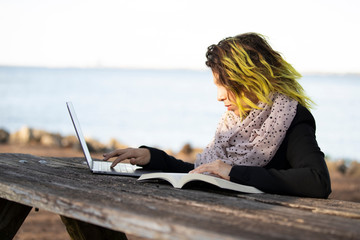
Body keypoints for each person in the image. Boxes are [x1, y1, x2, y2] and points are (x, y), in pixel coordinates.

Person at [103, 32, 331, 198]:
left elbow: (317, 181)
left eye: (226, 85)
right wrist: (153, 157)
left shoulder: (289, 117)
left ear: (250, 79)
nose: (219, 96)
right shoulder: (233, 123)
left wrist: (233, 172)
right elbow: (205, 172)